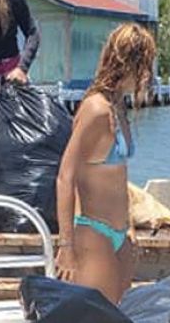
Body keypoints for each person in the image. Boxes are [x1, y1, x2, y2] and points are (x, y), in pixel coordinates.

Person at [54, 24, 157, 303]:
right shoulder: (96, 109)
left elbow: (117, 175)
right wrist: (66, 245)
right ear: (126, 63)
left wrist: (130, 225)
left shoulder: (118, 106)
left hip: (121, 234)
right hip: (93, 232)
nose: (147, 75)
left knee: (120, 321)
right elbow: (66, 177)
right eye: (143, 65)